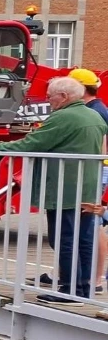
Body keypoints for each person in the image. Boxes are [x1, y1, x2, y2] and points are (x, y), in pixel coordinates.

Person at [0, 75, 107, 302]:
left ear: (64, 96)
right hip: (88, 188)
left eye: (50, 97)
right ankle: (84, 288)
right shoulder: (94, 116)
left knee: (65, 239)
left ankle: (70, 291)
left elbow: (33, 142)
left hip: (65, 189)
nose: (48, 101)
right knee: (84, 239)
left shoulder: (63, 117)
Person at [69, 68, 108, 292]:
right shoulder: (96, 109)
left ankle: (95, 278)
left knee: (94, 224)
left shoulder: (95, 112)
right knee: (87, 223)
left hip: (98, 170)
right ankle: (75, 273)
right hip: (98, 169)